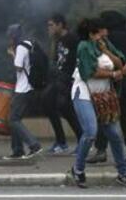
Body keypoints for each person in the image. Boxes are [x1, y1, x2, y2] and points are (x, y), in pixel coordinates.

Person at [69, 18, 126, 189]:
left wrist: (106, 50)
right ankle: (78, 168)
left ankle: (123, 172)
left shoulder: (104, 43)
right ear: (93, 33)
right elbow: (89, 72)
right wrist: (114, 75)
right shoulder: (84, 47)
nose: (105, 33)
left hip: (103, 94)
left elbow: (120, 63)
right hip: (84, 92)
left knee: (114, 134)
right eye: (101, 30)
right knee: (91, 131)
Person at [88, 11, 126, 165]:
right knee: (125, 118)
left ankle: (101, 150)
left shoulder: (109, 38)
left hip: (113, 82)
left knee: (103, 115)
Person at [2, 24, 43, 160]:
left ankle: (34, 145)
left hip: (23, 88)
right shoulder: (30, 44)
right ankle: (17, 150)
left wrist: (12, 54)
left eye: (10, 36)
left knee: (13, 119)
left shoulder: (20, 47)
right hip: (28, 87)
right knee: (15, 119)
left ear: (13, 36)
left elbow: (18, 67)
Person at [46, 14, 82, 154]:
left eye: (51, 25)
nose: (49, 28)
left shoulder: (72, 39)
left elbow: (79, 57)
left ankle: (82, 139)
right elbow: (55, 60)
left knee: (64, 107)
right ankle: (61, 142)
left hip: (68, 78)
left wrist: (75, 77)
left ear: (60, 24)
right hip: (58, 77)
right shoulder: (57, 40)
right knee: (47, 103)